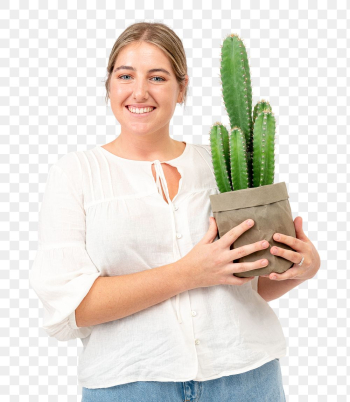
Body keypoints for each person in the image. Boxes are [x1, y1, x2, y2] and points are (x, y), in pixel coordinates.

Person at [29, 22, 288, 401]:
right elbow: (74, 306)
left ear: (181, 88)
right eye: (126, 75)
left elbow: (251, 284)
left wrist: (299, 269)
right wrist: (188, 273)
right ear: (109, 85)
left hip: (246, 376)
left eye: (157, 77)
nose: (139, 91)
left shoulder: (222, 161)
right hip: (131, 383)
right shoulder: (77, 173)